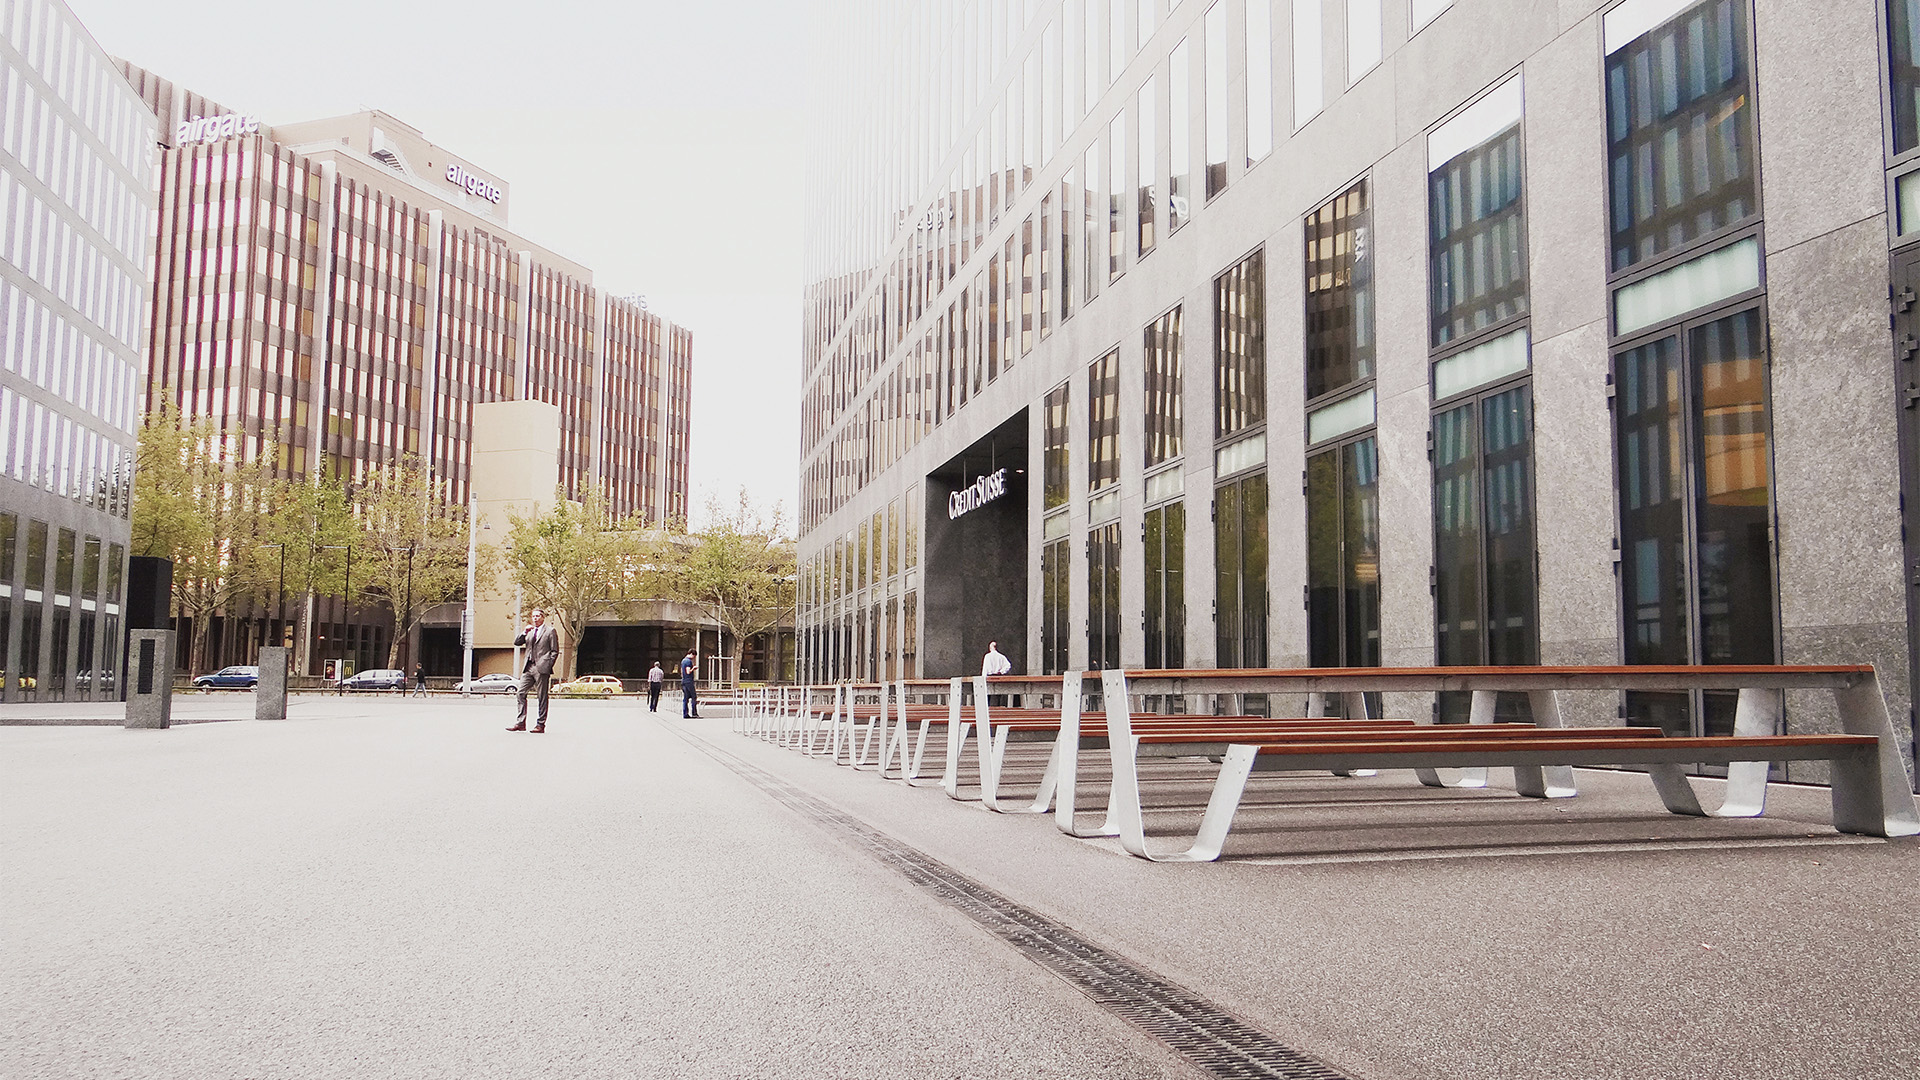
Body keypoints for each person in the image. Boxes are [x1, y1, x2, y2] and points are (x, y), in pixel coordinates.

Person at [510, 609, 559, 733]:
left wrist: (548, 664)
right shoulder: (530, 632)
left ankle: (540, 724)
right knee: (520, 693)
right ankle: (521, 722)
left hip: (541, 667)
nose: (535, 618)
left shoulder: (550, 631)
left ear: (543, 617)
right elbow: (517, 642)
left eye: (537, 616)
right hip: (528, 666)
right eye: (533, 616)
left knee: (541, 696)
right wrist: (524, 632)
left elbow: (554, 650)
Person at [679, 649, 700, 718]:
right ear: (691, 654)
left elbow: (682, 671)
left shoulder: (683, 661)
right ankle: (694, 713)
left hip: (684, 681)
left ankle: (685, 713)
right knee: (693, 697)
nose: (694, 658)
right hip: (689, 681)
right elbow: (688, 671)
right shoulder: (688, 661)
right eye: (694, 656)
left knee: (686, 698)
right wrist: (693, 668)